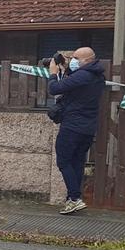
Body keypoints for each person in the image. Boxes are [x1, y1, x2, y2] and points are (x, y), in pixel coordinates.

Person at [47, 47, 104, 214]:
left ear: (86, 60)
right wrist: (66, 71)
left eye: (76, 58)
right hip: (88, 128)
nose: (72, 60)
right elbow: (74, 88)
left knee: (63, 161)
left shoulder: (83, 75)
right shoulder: (97, 76)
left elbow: (54, 89)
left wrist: (52, 73)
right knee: (77, 162)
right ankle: (73, 199)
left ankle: (74, 198)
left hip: (73, 125)